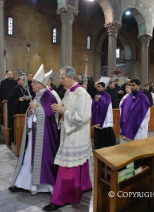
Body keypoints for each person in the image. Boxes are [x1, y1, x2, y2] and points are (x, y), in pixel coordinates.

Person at [44, 66, 93, 211]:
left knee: (68, 167)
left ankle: (61, 198)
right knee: (78, 164)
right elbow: (63, 109)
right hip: (70, 133)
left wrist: (63, 111)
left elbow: (83, 117)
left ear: (71, 78)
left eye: (63, 78)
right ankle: (84, 186)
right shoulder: (68, 92)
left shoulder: (82, 94)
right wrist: (58, 110)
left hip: (76, 135)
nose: (61, 81)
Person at [9, 65, 60, 195]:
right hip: (34, 133)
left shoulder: (49, 95)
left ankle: (44, 186)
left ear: (41, 85)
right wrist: (30, 112)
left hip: (44, 135)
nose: (32, 85)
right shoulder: (38, 95)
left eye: (34, 83)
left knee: (43, 159)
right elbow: (36, 111)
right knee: (28, 158)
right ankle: (24, 183)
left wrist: (37, 109)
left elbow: (51, 114)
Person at [120, 79, 151, 143]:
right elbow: (123, 109)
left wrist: (138, 124)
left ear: (139, 86)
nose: (131, 87)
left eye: (133, 85)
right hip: (126, 126)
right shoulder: (128, 98)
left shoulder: (143, 98)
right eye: (131, 85)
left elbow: (147, 114)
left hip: (138, 127)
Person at [7, 76, 31, 147]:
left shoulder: (29, 89)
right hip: (18, 111)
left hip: (27, 110)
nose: (24, 81)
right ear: (19, 81)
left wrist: (28, 99)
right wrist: (18, 99)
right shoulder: (15, 89)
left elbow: (33, 97)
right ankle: (15, 141)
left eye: (25, 80)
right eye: (22, 80)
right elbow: (10, 100)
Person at [92, 82, 116, 149]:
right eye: (97, 86)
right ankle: (98, 143)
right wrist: (96, 102)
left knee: (105, 130)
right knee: (98, 129)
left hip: (105, 116)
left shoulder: (107, 95)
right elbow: (94, 104)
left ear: (103, 87)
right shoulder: (97, 94)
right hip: (98, 116)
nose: (97, 88)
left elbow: (105, 104)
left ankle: (106, 143)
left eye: (99, 86)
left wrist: (98, 101)